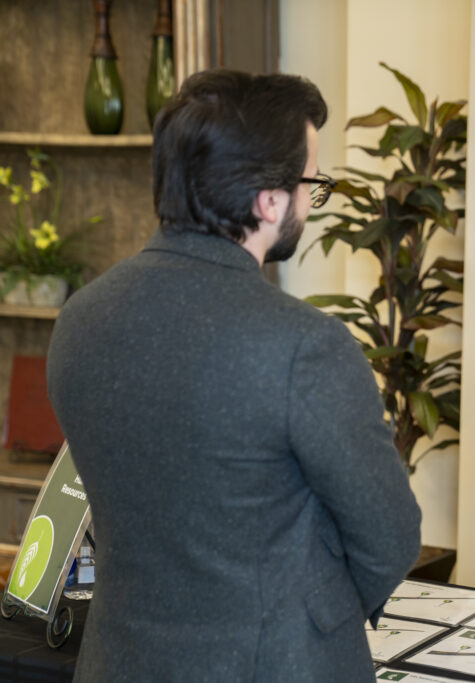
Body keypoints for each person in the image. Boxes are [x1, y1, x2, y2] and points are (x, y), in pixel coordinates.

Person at [46, 70, 421, 682]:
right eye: (309, 184)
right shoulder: (305, 344)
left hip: (118, 658)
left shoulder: (79, 318)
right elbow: (391, 534)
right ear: (269, 200)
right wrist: (311, 609)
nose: (308, 201)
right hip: (274, 663)